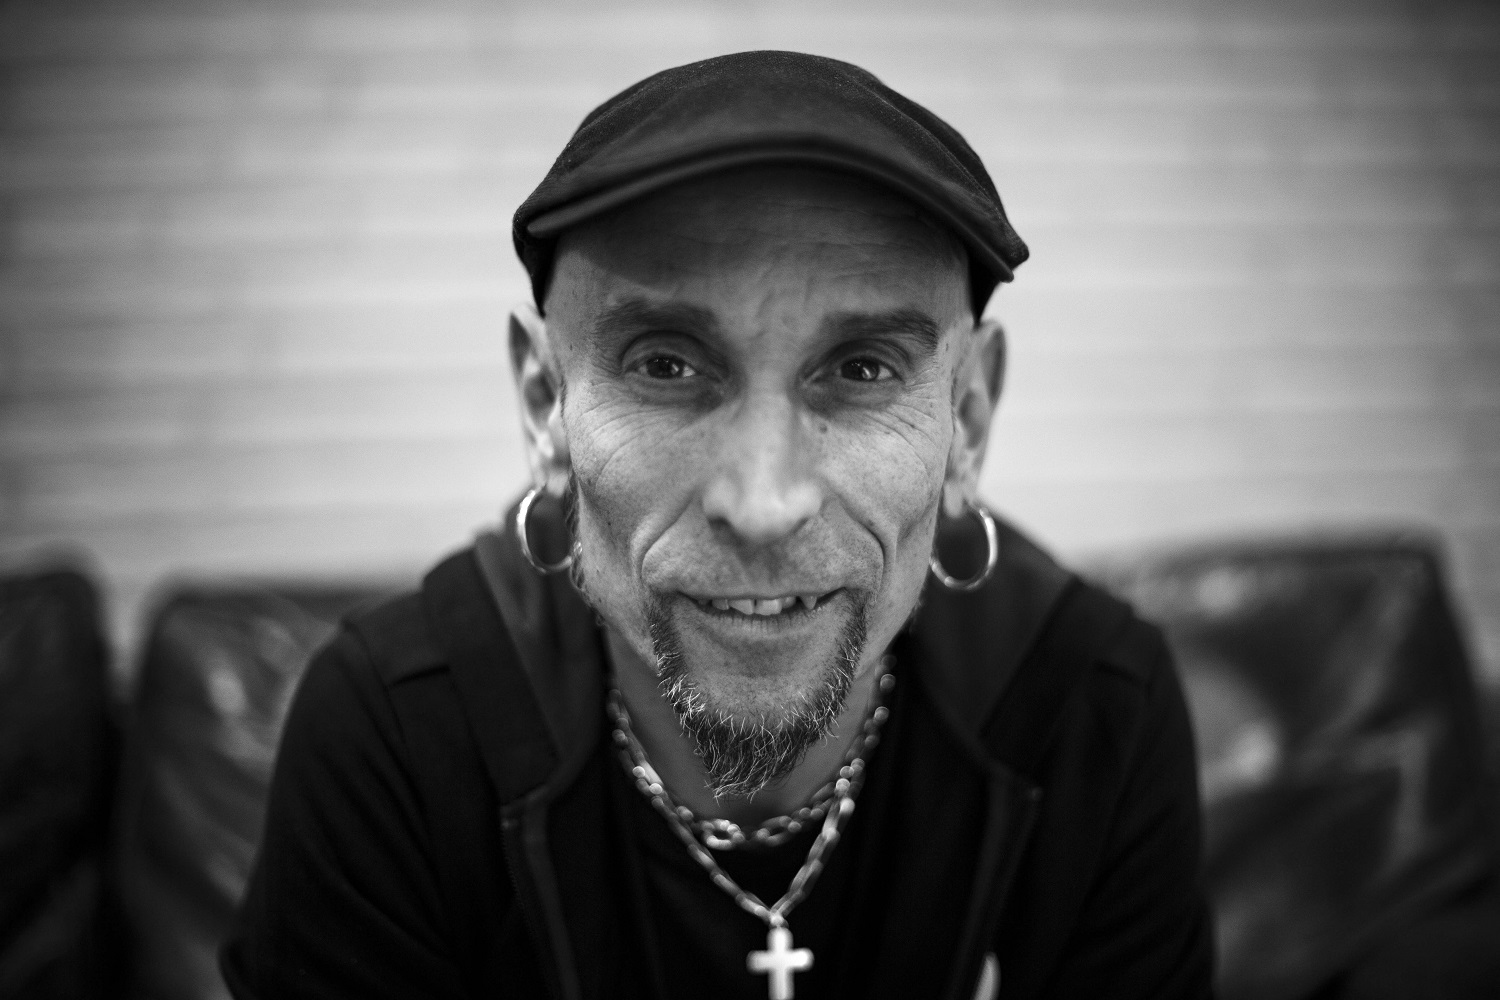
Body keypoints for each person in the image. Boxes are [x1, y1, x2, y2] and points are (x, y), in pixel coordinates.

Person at [220, 51, 1213, 1000]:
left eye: (863, 369)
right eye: (665, 364)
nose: (764, 504)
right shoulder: (395, 733)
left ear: (969, 420)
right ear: (545, 405)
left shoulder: (1090, 712)